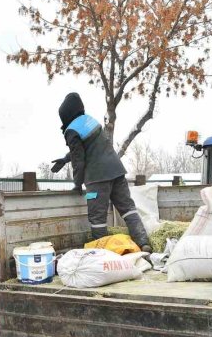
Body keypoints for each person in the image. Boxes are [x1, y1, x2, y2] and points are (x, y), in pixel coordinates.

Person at [51, 92, 151, 252]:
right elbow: (90, 148)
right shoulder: (90, 121)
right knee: (128, 209)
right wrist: (65, 159)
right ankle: (143, 243)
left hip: (97, 179)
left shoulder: (71, 130)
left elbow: (79, 160)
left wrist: (77, 184)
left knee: (97, 218)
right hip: (117, 171)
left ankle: (103, 254)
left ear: (65, 115)